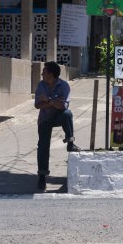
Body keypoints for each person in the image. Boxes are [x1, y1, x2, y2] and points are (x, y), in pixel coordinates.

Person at [34, 61, 81, 191]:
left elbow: (63, 106)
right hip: (45, 118)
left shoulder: (64, 85)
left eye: (44, 72)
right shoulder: (41, 85)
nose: (42, 74)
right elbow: (38, 105)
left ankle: (70, 142)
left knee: (67, 114)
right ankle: (42, 177)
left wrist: (47, 101)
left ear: (52, 74)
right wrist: (54, 102)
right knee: (43, 146)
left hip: (59, 115)